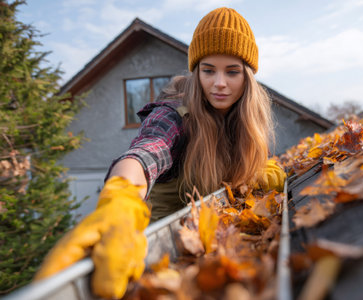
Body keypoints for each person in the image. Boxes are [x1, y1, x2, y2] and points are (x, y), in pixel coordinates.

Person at [34, 7, 286, 299]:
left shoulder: (247, 121)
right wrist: (122, 197)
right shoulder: (173, 116)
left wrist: (261, 169)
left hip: (220, 261)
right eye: (208, 70)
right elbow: (146, 153)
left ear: (248, 77)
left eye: (232, 71)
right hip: (158, 267)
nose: (219, 83)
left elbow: (264, 161)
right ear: (196, 71)